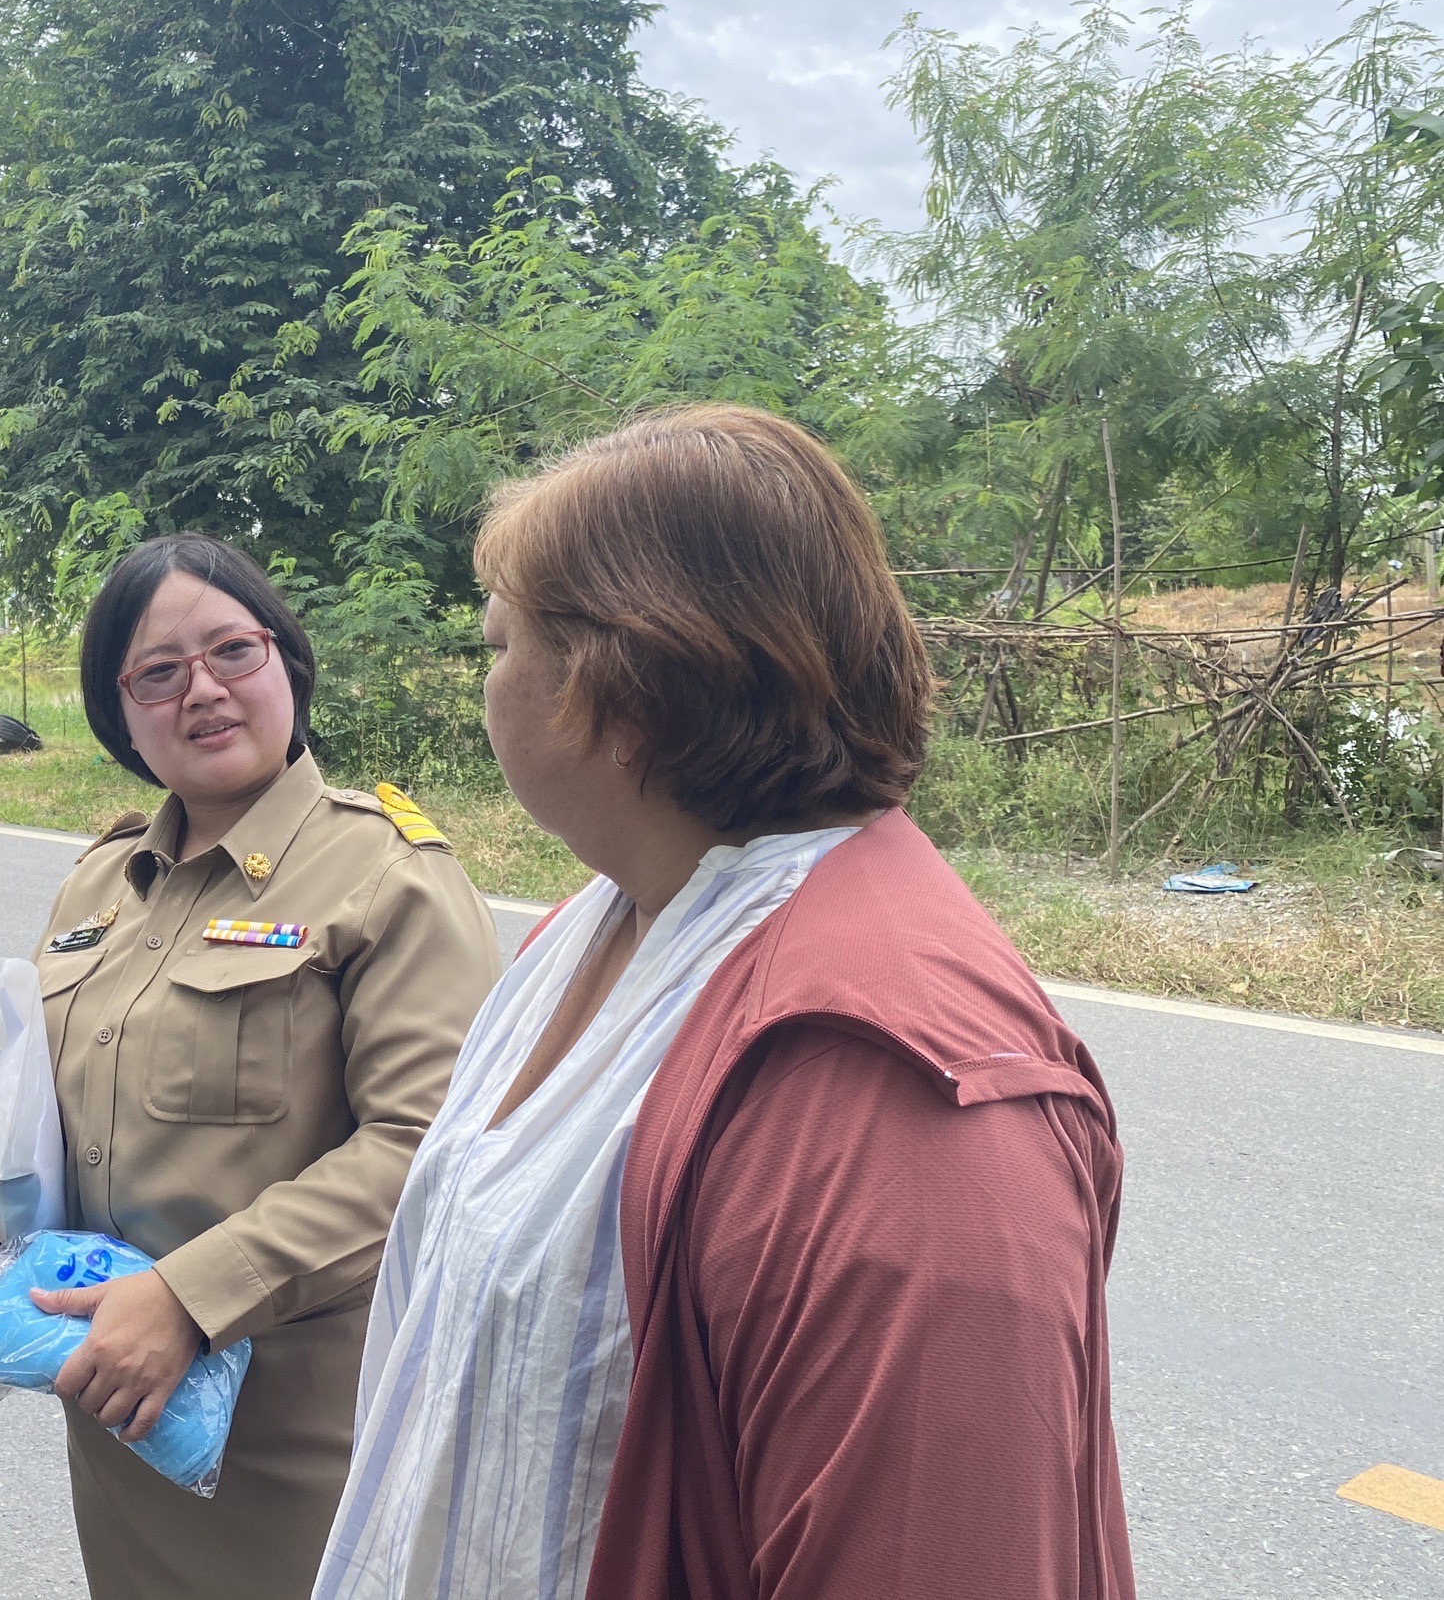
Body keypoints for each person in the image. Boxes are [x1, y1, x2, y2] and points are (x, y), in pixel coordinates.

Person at [314, 405, 1134, 1600]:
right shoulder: (608, 923)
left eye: (499, 644)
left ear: (618, 692)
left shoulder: (878, 1095)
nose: (486, 686)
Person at [0, 534, 503, 1600]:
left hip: (304, 1443)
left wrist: (190, 1299)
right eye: (157, 672)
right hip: (122, 1421)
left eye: (233, 650)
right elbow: (9, 1082)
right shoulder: (101, 880)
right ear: (119, 712)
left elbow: (426, 1147)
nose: (203, 689)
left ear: (286, 660)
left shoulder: (387, 874)